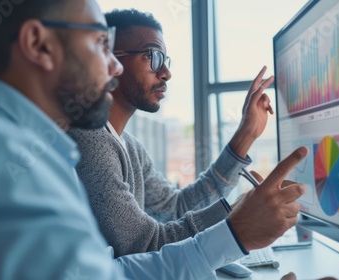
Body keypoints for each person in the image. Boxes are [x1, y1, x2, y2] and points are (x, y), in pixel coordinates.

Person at [0, 0, 312, 279]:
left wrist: (237, 218)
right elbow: (140, 246)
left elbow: (108, 270)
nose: (115, 66)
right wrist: (237, 229)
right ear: (38, 44)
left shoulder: (28, 147)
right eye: (99, 43)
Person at [67, 8, 276, 257]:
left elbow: (177, 208)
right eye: (153, 56)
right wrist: (239, 216)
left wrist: (246, 134)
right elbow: (144, 245)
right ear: (109, 59)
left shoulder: (130, 147)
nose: (166, 73)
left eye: (165, 60)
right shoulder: (89, 140)